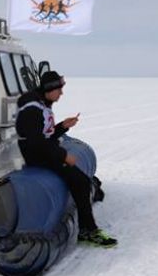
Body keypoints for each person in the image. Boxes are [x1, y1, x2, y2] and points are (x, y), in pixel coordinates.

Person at [15, 70, 117, 248]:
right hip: (37, 156)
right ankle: (88, 231)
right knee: (80, 180)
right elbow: (36, 141)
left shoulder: (41, 103)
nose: (61, 93)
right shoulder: (32, 108)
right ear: (50, 88)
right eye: (59, 89)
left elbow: (45, 134)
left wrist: (62, 126)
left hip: (43, 151)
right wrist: (63, 156)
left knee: (82, 181)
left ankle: (88, 229)